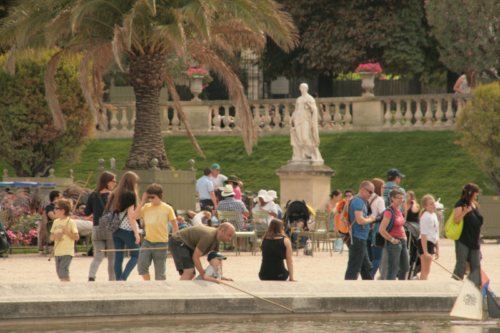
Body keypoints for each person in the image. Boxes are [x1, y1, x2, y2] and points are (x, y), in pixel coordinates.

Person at [134, 184, 177, 281]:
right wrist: (142, 202)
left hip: (161, 243)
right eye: (148, 197)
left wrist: (173, 242)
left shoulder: (167, 208)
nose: (150, 199)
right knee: (141, 266)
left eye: (152, 197)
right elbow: (134, 216)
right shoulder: (146, 206)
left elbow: (175, 226)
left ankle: (161, 292)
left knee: (160, 273)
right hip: (147, 242)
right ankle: (149, 285)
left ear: (159, 196)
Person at [168, 222, 236, 281]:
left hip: (188, 245)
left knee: (192, 274)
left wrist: (221, 276)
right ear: (222, 231)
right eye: (229, 235)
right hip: (177, 241)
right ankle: (178, 293)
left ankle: (182, 292)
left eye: (231, 236)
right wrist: (204, 275)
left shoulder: (217, 240)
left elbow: (217, 259)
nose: (230, 239)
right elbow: (195, 257)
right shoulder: (209, 237)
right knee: (189, 271)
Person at [106, 171, 141, 281]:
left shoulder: (115, 193)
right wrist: (136, 232)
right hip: (127, 229)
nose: (136, 185)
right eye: (136, 182)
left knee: (119, 257)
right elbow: (131, 215)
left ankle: (118, 280)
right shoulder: (130, 194)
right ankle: (123, 278)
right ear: (131, 182)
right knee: (136, 255)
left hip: (115, 229)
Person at [85, 171, 117, 282]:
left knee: (98, 256)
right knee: (112, 257)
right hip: (110, 229)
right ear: (107, 182)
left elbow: (86, 212)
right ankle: (112, 280)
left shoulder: (92, 195)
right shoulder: (113, 195)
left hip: (96, 228)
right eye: (113, 181)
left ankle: (91, 276)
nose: (115, 183)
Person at [344, 181, 376, 280]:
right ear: (363, 189)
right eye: (370, 192)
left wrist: (368, 222)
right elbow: (360, 220)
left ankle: (370, 292)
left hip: (359, 238)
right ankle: (347, 291)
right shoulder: (358, 201)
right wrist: (370, 219)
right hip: (357, 239)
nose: (371, 195)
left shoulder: (359, 201)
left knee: (367, 267)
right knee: (354, 268)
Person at [452, 183, 483, 280]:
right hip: (463, 239)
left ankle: (474, 286)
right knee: (461, 264)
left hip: (474, 239)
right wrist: (464, 212)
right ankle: (456, 283)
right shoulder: (460, 203)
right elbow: (455, 220)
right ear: (470, 192)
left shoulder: (475, 204)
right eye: (476, 192)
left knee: (476, 264)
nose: (477, 194)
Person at [378, 188, 409, 280]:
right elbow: (381, 230)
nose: (401, 200)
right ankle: (390, 290)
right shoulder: (389, 212)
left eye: (402, 198)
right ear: (392, 198)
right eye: (398, 198)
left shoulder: (400, 209)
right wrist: (392, 239)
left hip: (402, 240)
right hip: (394, 241)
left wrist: (404, 235)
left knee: (405, 267)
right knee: (393, 269)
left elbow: (401, 224)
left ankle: (401, 288)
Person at [290, 83, 323, 163]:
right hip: (297, 118)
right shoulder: (298, 99)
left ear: (307, 89)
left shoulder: (310, 98)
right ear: (300, 89)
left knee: (305, 137)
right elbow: (296, 110)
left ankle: (312, 154)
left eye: (304, 88)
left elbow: (314, 110)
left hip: (305, 119)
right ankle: (302, 155)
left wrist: (310, 106)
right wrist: (291, 118)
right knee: (300, 138)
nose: (303, 89)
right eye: (301, 88)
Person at [50, 198, 79, 282]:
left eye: (56, 208)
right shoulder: (55, 222)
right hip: (57, 252)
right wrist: (55, 236)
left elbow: (76, 237)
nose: (54, 210)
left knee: (64, 272)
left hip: (66, 252)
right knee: (60, 273)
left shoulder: (70, 222)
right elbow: (51, 237)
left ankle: (67, 289)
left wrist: (67, 232)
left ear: (62, 210)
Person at [418, 194, 440, 281]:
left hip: (431, 242)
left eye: (433, 203)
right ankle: (422, 288)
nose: (433, 205)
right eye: (431, 204)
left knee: (428, 269)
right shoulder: (426, 217)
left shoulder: (433, 215)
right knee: (425, 270)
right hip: (426, 243)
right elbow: (423, 235)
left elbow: (436, 233)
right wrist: (425, 252)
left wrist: (437, 249)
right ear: (425, 206)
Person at [367, 178, 385, 277]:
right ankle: (370, 277)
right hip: (377, 230)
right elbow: (382, 215)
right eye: (382, 187)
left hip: (367, 227)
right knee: (377, 257)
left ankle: (367, 276)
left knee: (369, 257)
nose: (384, 189)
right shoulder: (379, 199)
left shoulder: (366, 198)